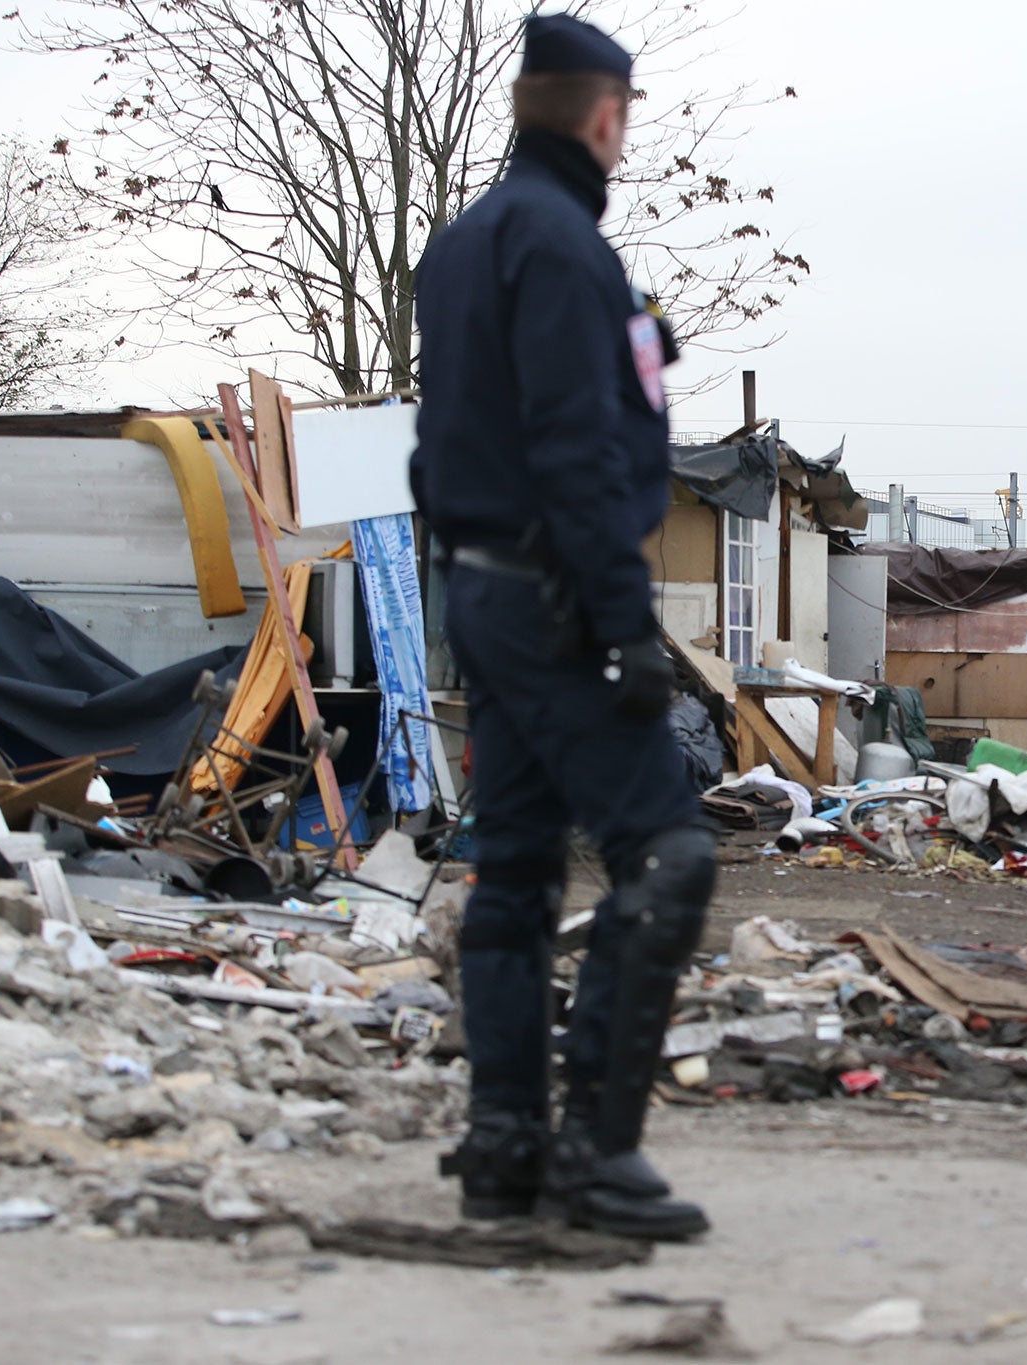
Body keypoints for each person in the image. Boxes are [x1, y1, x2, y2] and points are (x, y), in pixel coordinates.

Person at [409, 12, 713, 1242]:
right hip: (549, 595)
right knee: (668, 852)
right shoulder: (566, 246)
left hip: (477, 586)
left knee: (519, 869)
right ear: (602, 115)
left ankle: (503, 1148)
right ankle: (594, 1147)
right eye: (625, 118)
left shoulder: (463, 242)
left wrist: (637, 345)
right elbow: (575, 450)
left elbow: (475, 416)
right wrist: (623, 623)